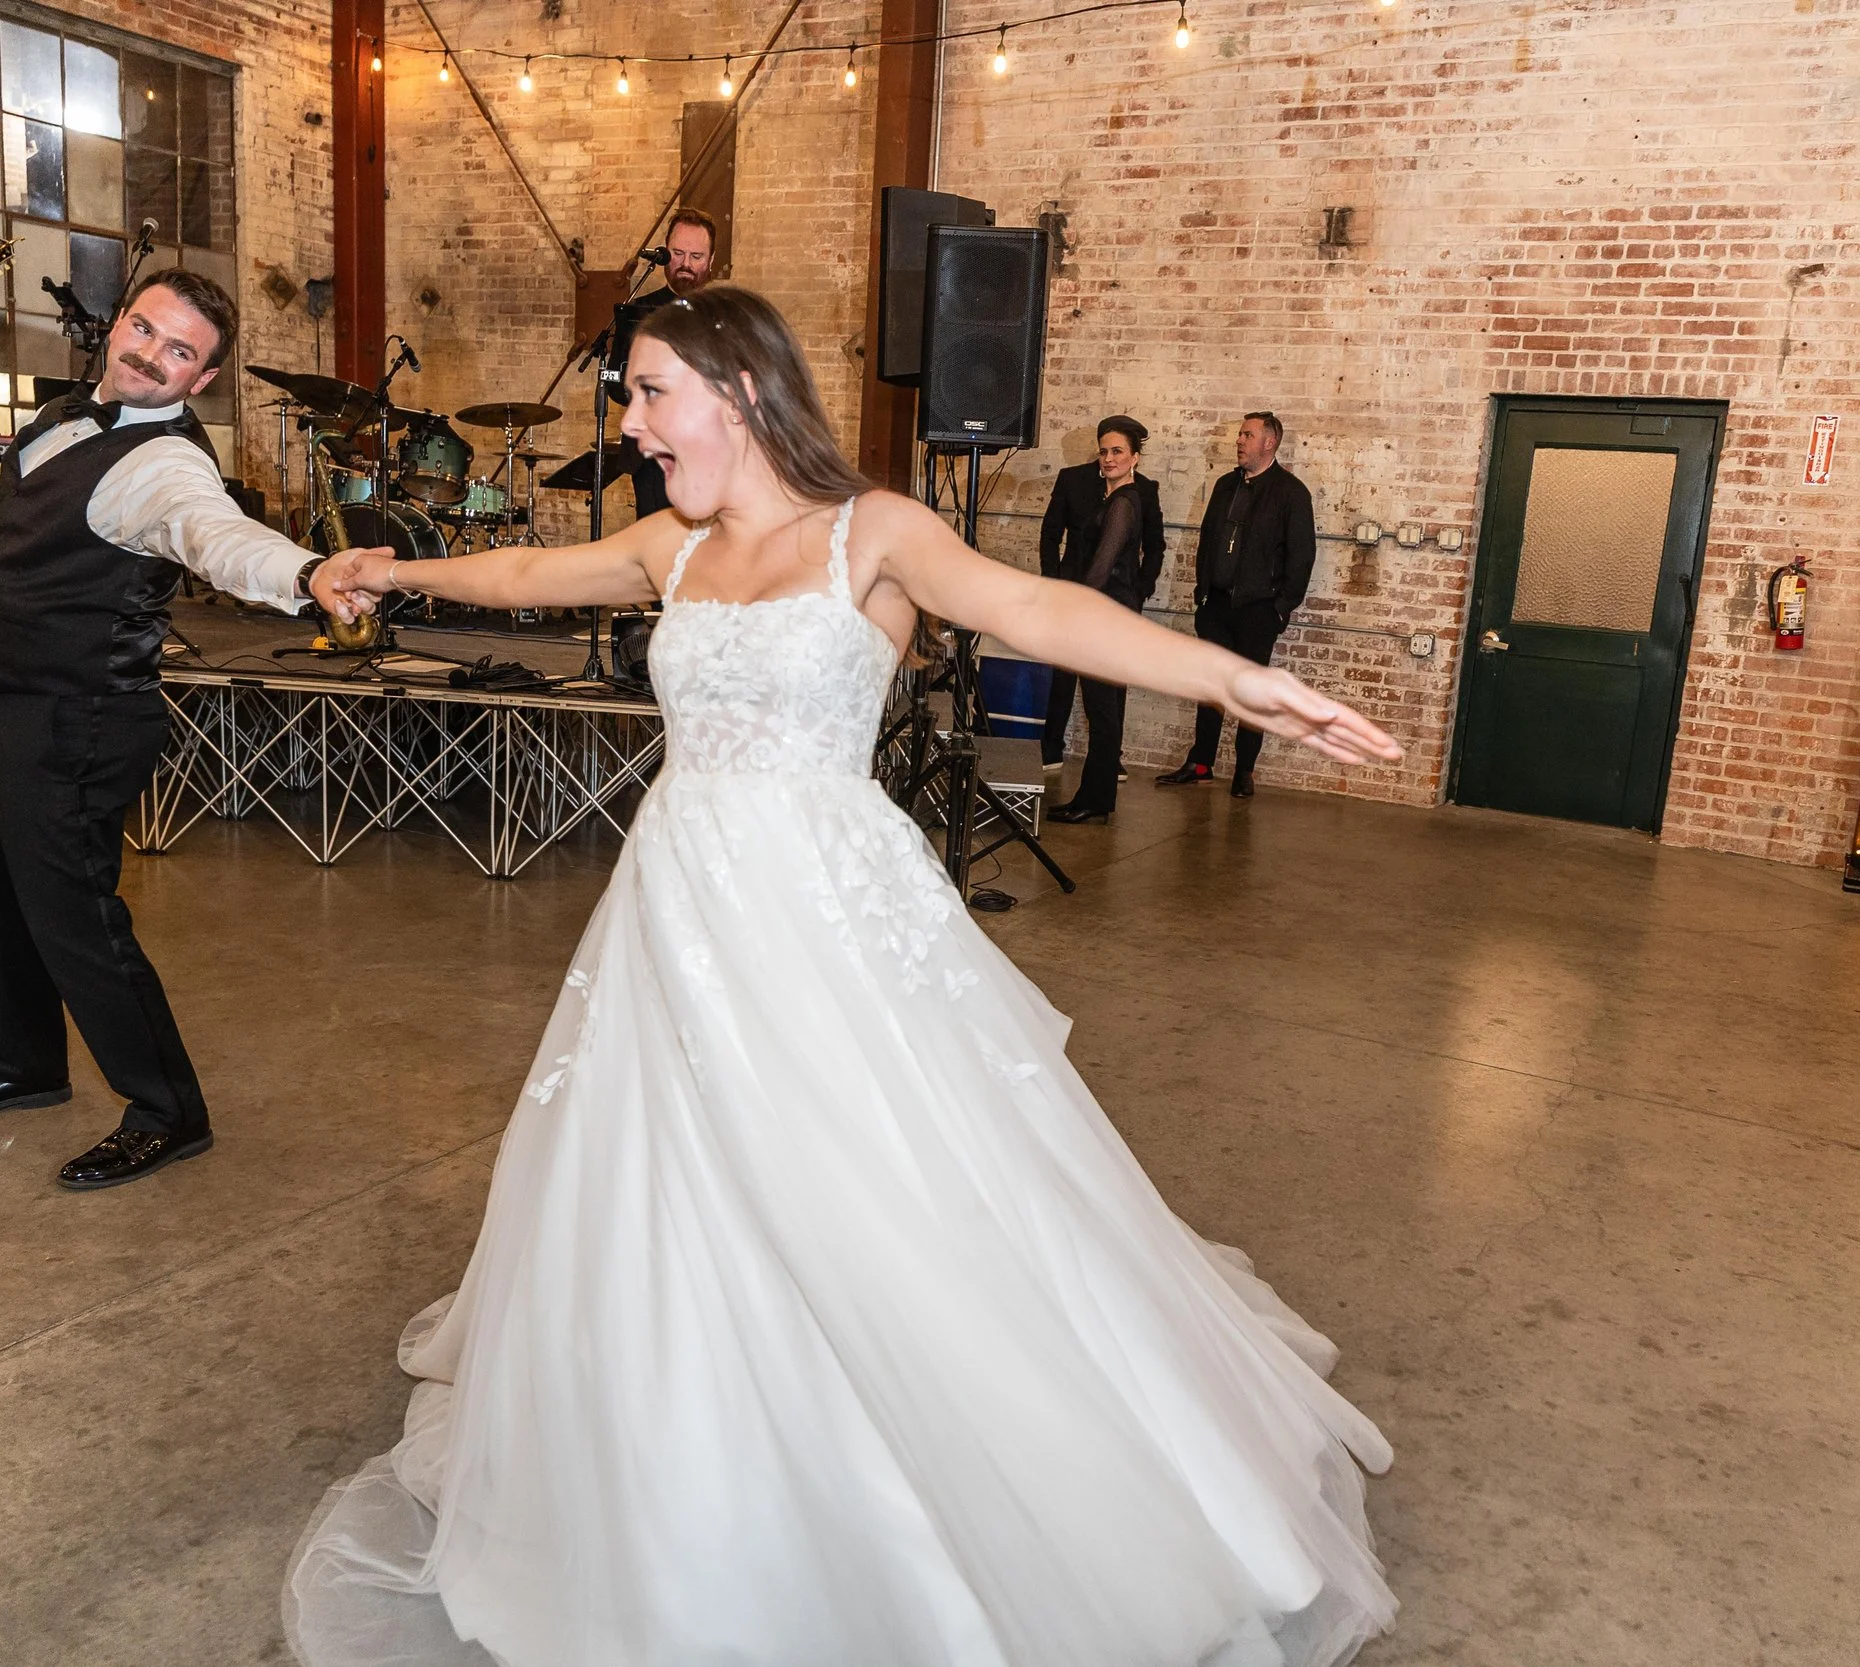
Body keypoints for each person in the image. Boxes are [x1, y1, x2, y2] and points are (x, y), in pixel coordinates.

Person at [285, 287, 1405, 1667]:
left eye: (648, 393)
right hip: (676, 909)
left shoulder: (873, 533)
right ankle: (699, 1479)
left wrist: (1233, 679)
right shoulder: (668, 543)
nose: (630, 424)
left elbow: (1033, 606)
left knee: (873, 1184)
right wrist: (393, 571)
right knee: (673, 1187)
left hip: (826, 913)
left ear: (741, 390)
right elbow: (522, 576)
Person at [0, 270, 372, 1191]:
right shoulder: (61, 418)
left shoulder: (166, 465)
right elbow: (10, 561)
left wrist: (310, 571)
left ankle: (169, 1110)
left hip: (78, 718)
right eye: (145, 330)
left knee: (78, 922)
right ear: (118, 324)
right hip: (5, 699)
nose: (151, 355)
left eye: (180, 352)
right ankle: (23, 1063)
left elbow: (217, 536)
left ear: (200, 381)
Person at [1158, 412, 1318, 798]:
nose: (1239, 441)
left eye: (1248, 435)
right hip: (1216, 605)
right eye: (1239, 435)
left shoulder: (1291, 493)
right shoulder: (1225, 485)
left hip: (1258, 610)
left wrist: (1281, 608)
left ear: (1269, 442)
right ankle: (1200, 763)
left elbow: (1302, 556)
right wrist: (1202, 591)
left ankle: (1244, 770)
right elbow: (1208, 538)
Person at [1045, 415, 1164, 824]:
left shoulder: (1125, 503)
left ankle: (1093, 800)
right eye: (1104, 450)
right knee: (1105, 708)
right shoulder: (1119, 499)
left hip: (1104, 617)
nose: (1109, 458)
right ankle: (1097, 798)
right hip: (1111, 613)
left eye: (1118, 451)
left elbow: (1101, 567)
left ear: (1135, 458)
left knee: (1103, 710)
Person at [606, 207, 718, 518]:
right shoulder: (638, 311)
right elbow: (615, 383)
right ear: (665, 253)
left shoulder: (723, 316)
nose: (685, 263)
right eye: (678, 253)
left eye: (696, 256)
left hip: (706, 455)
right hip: (651, 455)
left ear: (711, 259)